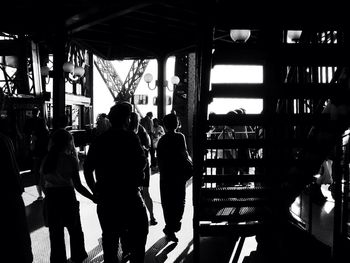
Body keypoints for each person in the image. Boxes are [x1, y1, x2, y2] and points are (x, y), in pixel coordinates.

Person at [83, 102, 148, 263]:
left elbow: (87, 169)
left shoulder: (99, 140)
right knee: (139, 236)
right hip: (130, 196)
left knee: (110, 241)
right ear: (127, 118)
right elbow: (142, 163)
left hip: (106, 198)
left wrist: (94, 192)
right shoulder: (131, 138)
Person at [40, 128, 95, 263]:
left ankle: (58, 260)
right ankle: (77, 257)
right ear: (68, 143)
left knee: (55, 235)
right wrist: (93, 196)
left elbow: (41, 183)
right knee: (75, 231)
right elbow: (78, 186)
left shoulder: (46, 159)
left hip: (51, 199)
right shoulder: (70, 160)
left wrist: (49, 194)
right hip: (67, 197)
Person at [1, 118, 33, 263]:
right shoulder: (5, 141)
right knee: (18, 239)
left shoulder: (4, 140)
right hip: (11, 195)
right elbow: (13, 172)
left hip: (7, 194)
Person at [157, 113, 192, 242]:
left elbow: (159, 161)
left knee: (167, 204)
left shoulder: (162, 140)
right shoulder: (180, 137)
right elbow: (184, 154)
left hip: (166, 177)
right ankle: (173, 227)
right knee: (179, 202)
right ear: (177, 124)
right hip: (178, 176)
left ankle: (169, 227)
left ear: (164, 126)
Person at [129, 112, 158, 226]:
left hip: (133, 166)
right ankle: (151, 216)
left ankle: (138, 219)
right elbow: (148, 146)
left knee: (133, 193)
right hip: (144, 164)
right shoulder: (143, 131)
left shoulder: (127, 133)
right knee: (146, 192)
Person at [24, 106, 49, 200]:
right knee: (44, 172)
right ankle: (46, 193)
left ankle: (40, 195)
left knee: (36, 173)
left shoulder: (28, 121)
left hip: (34, 150)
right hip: (43, 150)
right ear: (38, 112)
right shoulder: (42, 122)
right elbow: (46, 133)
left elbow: (25, 133)